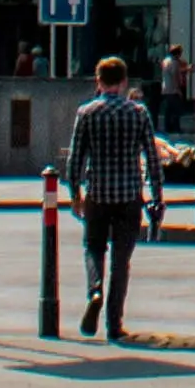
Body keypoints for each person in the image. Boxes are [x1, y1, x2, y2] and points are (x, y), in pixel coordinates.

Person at [62, 53, 158, 336]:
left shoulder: (87, 113)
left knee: (93, 247)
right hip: (129, 196)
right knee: (121, 260)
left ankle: (94, 292)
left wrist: (75, 193)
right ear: (124, 81)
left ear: (99, 81)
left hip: (98, 194)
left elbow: (75, 158)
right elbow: (152, 158)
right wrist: (157, 195)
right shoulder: (138, 113)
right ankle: (114, 324)